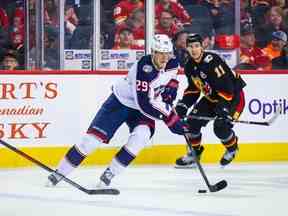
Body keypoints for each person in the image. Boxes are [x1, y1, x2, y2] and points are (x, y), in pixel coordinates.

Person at [46, 34, 187, 188]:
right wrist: (172, 120)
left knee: (142, 136)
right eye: (161, 53)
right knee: (91, 141)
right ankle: (60, 172)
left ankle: (110, 173)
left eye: (167, 53)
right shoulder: (143, 68)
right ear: (153, 52)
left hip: (140, 109)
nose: (165, 58)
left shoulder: (173, 63)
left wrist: (172, 89)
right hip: (120, 103)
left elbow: (171, 78)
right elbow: (145, 104)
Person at [174, 33, 246, 168]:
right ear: (187, 48)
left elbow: (228, 87)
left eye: (196, 46)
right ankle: (194, 154)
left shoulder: (212, 60)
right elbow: (194, 88)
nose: (194, 49)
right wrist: (184, 105)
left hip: (233, 97)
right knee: (191, 123)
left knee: (220, 127)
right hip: (211, 97)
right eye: (190, 46)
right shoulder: (189, 65)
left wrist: (223, 108)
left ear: (202, 47)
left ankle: (232, 148)